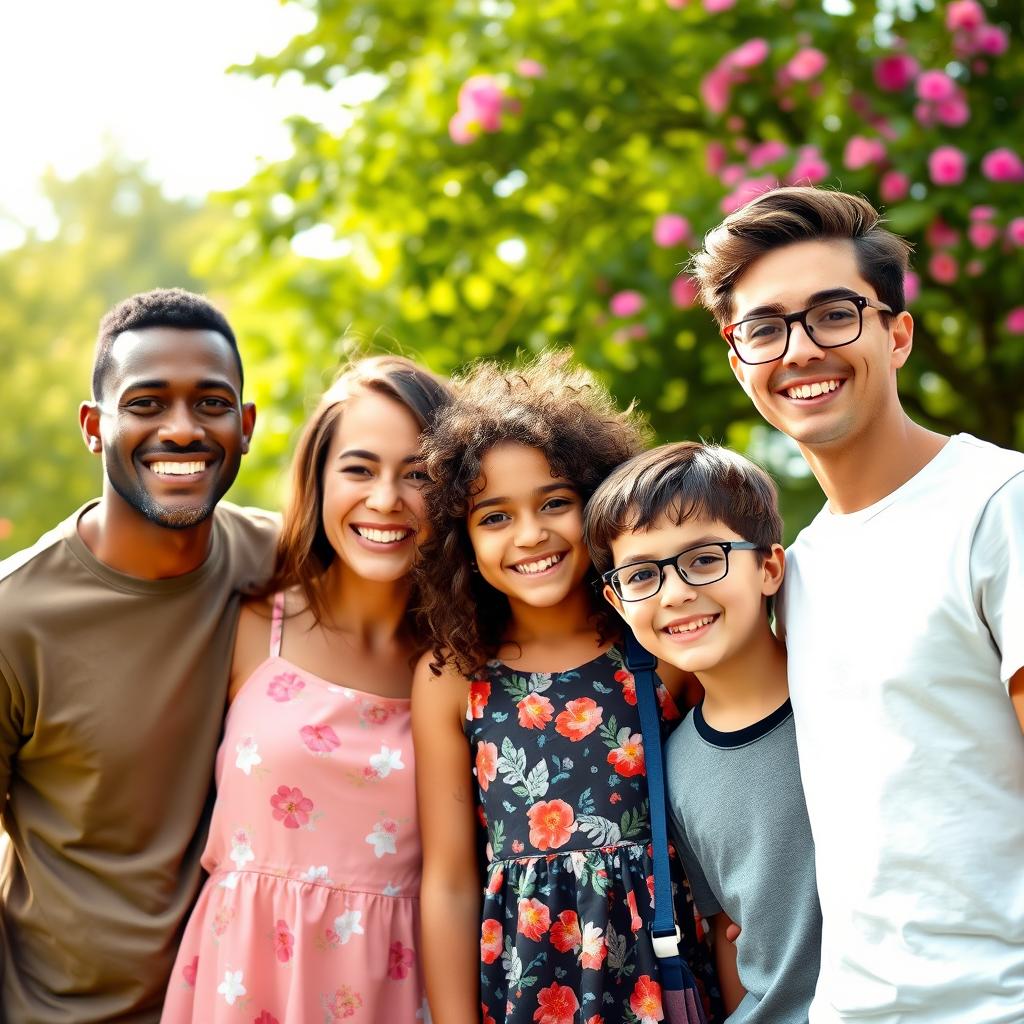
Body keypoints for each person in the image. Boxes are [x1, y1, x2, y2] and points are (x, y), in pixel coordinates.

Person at [690, 186, 1024, 1023]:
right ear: (740, 362)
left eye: (834, 313)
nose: (800, 349)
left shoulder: (999, 506)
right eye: (764, 328)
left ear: (897, 334)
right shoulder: (795, 571)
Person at [412, 353, 720, 1024]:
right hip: (525, 983)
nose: (531, 534)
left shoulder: (658, 647)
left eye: (555, 502)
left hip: (663, 973)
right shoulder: (452, 676)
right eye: (494, 516)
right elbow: (449, 878)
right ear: (461, 539)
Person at [0, 288, 278, 1022]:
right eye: (147, 403)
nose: (182, 429)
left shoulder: (286, 566)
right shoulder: (13, 618)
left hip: (239, 1003)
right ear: (96, 427)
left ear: (245, 427)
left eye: (211, 404)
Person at [161, 356, 452, 1024]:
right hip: (246, 978)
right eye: (359, 468)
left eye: (418, 475)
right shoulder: (252, 623)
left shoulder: (464, 660)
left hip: (400, 988)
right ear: (317, 480)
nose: (386, 499)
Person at [585, 440, 823, 1023]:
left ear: (768, 566)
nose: (675, 592)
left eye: (703, 559)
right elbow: (731, 935)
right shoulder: (675, 766)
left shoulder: (847, 704)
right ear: (618, 602)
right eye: (643, 575)